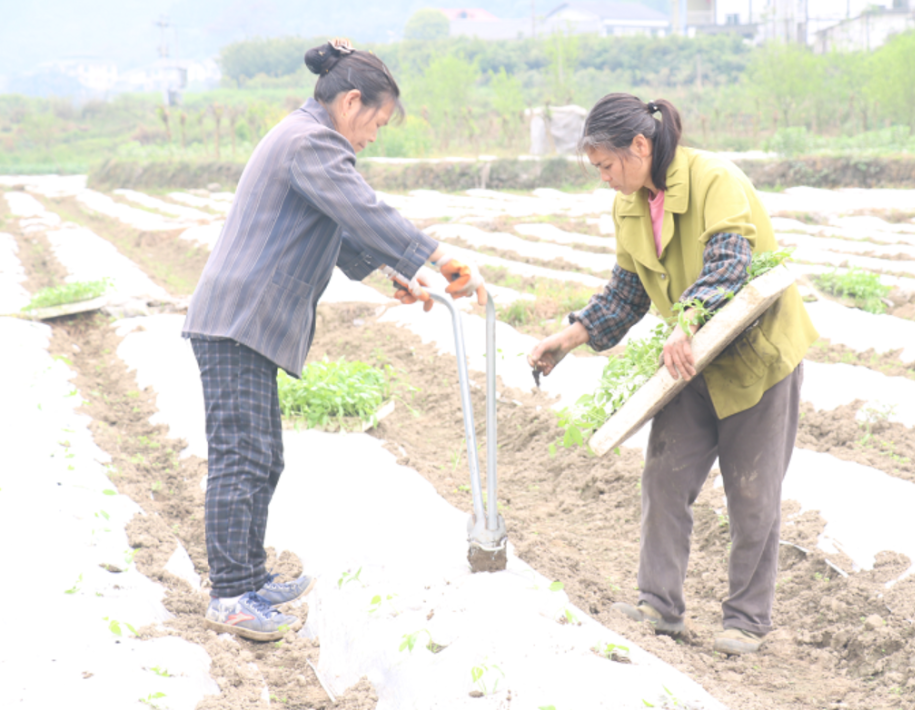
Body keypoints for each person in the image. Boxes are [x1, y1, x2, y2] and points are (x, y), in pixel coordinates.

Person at [182, 38, 486, 642]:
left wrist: (399, 272)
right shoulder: (312, 140)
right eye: (375, 122)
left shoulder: (303, 140)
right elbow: (363, 209)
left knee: (262, 457)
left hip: (246, 321)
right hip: (239, 320)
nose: (373, 136)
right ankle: (231, 594)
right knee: (242, 458)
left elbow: (340, 232)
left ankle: (247, 575)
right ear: (351, 103)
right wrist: (432, 254)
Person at [528, 94, 818, 655]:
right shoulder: (631, 205)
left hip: (755, 357)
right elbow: (628, 289)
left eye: (608, 165)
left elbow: (729, 262)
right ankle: (659, 607)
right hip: (688, 361)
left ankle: (746, 621)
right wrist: (570, 336)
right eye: (598, 169)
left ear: (640, 146)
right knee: (664, 478)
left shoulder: (713, 180)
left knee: (752, 493)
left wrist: (687, 319)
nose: (606, 179)